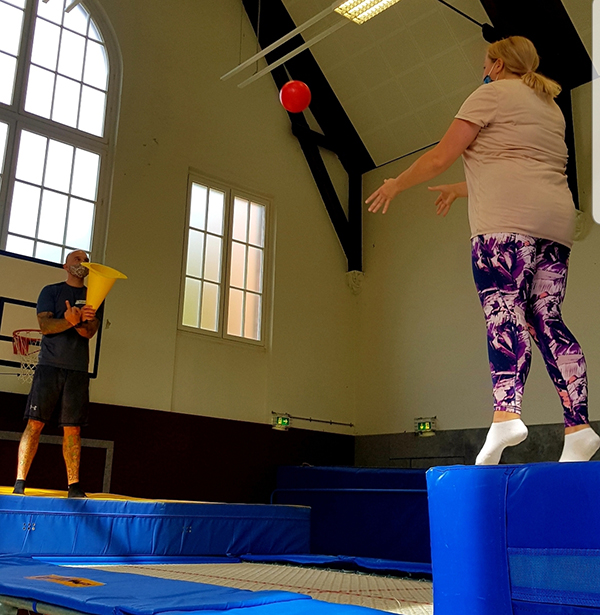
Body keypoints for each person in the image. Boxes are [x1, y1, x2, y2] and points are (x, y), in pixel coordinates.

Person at [366, 36, 600, 465]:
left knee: (503, 308)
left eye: (486, 61)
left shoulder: (489, 95)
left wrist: (396, 183)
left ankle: (506, 413)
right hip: (556, 223)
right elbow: (517, 166)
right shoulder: (549, 107)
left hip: (505, 229)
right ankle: (579, 425)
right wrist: (459, 191)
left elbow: (439, 157)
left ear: (495, 63)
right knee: (545, 317)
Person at [13, 250, 102, 497]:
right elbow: (45, 326)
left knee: (73, 428)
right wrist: (71, 320)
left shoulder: (95, 296)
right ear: (65, 265)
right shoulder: (50, 291)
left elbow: (89, 333)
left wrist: (80, 323)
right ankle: (20, 482)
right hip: (49, 367)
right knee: (35, 423)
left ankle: (74, 485)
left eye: (86, 260)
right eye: (77, 258)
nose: (82, 262)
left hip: (77, 371)